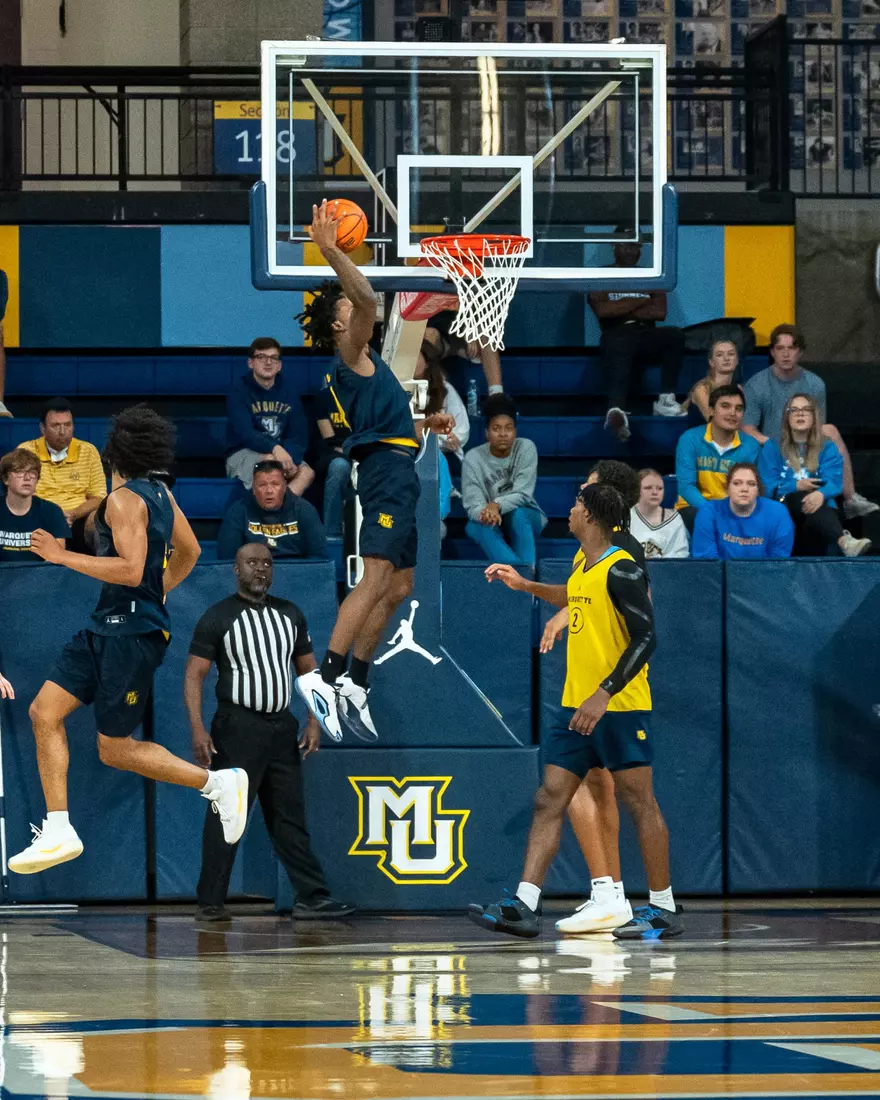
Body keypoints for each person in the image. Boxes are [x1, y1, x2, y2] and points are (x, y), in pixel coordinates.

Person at [8, 406, 248, 876]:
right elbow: (192, 550)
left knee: (113, 748)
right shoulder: (160, 493)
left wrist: (61, 557)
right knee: (44, 712)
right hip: (106, 625)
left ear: (115, 452)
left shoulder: (121, 501)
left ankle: (219, 784)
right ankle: (58, 828)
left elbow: (131, 569)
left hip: (130, 635)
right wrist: (158, 594)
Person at [470, 484, 681, 940]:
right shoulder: (584, 562)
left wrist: (604, 693)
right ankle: (524, 904)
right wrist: (525, 585)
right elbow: (574, 596)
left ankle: (662, 907)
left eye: (577, 505)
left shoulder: (622, 568)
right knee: (550, 798)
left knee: (639, 802)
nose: (569, 509)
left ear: (594, 517)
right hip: (575, 707)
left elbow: (647, 638)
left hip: (618, 707)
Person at [293, 200, 455, 743]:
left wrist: (419, 420)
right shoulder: (351, 348)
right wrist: (333, 251)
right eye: (345, 306)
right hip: (385, 471)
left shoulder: (361, 370)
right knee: (377, 576)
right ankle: (326, 674)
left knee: (402, 585)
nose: (354, 304)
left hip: (395, 461)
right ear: (339, 324)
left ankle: (356, 681)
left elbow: (379, 416)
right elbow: (363, 296)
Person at [185, 544, 354, 922]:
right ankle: (210, 902)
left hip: (282, 728)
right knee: (226, 815)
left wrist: (314, 720)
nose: (260, 569)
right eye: (252, 563)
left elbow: (309, 673)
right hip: (236, 728)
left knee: (289, 816)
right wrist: (197, 728)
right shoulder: (217, 616)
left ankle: (312, 896)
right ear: (236, 569)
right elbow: (194, 675)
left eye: (266, 563)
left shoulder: (290, 614)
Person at [742, 324, 877, 521]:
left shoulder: (814, 384)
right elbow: (747, 428)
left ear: (800, 351)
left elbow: (816, 426)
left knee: (829, 430)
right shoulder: (757, 384)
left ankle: (850, 499)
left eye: (792, 348)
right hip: (774, 446)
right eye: (780, 348)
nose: (786, 354)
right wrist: (772, 442)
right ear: (772, 352)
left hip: (805, 444)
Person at [588, 232, 687, 442]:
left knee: (675, 336)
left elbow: (659, 312)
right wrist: (642, 300)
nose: (633, 251)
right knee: (622, 342)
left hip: (644, 334)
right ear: (615, 246)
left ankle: (666, 399)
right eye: (628, 246)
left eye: (638, 247)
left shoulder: (652, 274)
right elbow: (603, 311)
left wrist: (620, 306)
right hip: (615, 334)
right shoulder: (600, 275)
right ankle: (617, 410)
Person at [759, 394, 870, 557]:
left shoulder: (827, 446)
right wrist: (795, 486)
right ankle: (844, 541)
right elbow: (766, 486)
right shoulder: (773, 446)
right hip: (784, 510)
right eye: (794, 410)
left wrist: (820, 494)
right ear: (786, 417)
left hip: (820, 511)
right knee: (799, 496)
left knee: (814, 516)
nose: (800, 413)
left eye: (806, 409)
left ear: (814, 417)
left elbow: (834, 481)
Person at [462, 394, 547, 567]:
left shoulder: (526, 448)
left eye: (508, 428)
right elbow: (473, 504)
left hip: (526, 515)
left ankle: (523, 580)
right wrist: (486, 513)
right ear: (487, 432)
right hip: (489, 519)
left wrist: (497, 505)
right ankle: (523, 582)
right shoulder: (473, 458)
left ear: (515, 431)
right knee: (478, 526)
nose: (503, 434)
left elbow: (523, 494)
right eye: (496, 428)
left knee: (518, 515)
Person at [225, 337, 314, 496]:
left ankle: (281, 509)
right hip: (242, 453)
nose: (268, 362)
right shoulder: (238, 391)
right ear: (250, 363)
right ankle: (273, 514)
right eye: (261, 357)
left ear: (279, 365)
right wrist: (275, 449)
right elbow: (245, 433)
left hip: (283, 454)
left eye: (273, 358)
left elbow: (298, 433)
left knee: (307, 473)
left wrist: (291, 457)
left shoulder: (289, 392)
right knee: (270, 464)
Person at [20, 398, 107, 553]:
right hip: (40, 517)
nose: (62, 431)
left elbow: (98, 497)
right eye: (56, 426)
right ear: (42, 428)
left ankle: (105, 572)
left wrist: (72, 515)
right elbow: (20, 493)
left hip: (78, 517)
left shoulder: (88, 451)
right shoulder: (26, 451)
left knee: (99, 520)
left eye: (67, 425)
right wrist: (51, 516)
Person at [675, 385, 762, 529]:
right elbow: (686, 487)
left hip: (736, 509)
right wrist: (714, 512)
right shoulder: (690, 439)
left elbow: (756, 489)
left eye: (739, 409)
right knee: (698, 517)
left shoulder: (751, 446)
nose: (733, 412)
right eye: (725, 406)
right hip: (696, 508)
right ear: (711, 410)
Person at [216, 459, 327, 561]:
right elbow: (228, 558)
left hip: (295, 574)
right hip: (253, 575)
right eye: (262, 485)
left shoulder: (304, 510)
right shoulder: (238, 511)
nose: (269, 490)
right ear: (254, 489)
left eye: (275, 484)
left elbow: (318, 556)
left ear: (284, 487)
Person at [692, 462, 794, 560]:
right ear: (727, 488)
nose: (744, 489)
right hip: (720, 576)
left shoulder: (778, 513)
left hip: (764, 576)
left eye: (751, 484)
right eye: (737, 483)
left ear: (758, 489)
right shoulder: (709, 512)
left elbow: (779, 562)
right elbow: (707, 561)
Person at [0, 448, 69, 562]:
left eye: (33, 472)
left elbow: (57, 561)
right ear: (6, 479)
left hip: (38, 577)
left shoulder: (52, 511)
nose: (27, 478)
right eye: (20, 471)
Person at [314, 385, 353, 539]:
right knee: (339, 467)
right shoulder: (326, 396)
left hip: (363, 452)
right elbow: (330, 439)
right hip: (332, 455)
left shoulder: (369, 394)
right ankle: (332, 535)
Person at [631, 468, 690, 558]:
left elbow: (681, 555)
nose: (655, 492)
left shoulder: (675, 520)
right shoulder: (625, 517)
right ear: (636, 490)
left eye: (660, 488)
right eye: (648, 488)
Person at [683, 339, 742, 425]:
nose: (726, 358)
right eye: (719, 355)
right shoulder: (702, 389)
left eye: (731, 354)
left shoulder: (739, 389)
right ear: (711, 362)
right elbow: (716, 423)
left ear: (737, 361)